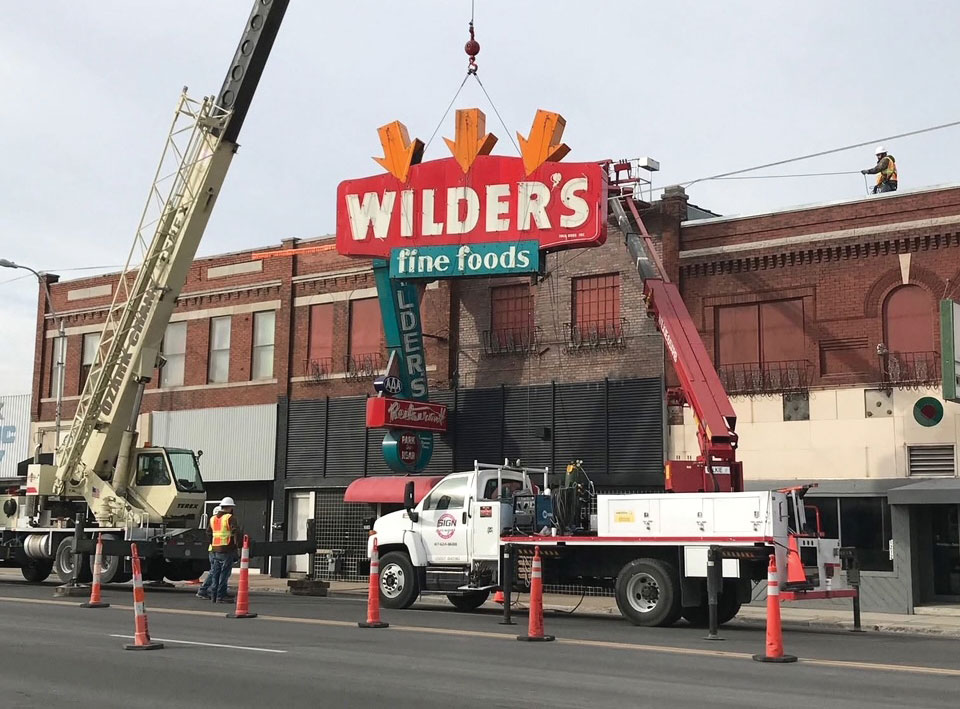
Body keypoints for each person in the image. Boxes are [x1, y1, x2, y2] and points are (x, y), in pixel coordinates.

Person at [207, 497, 240, 603]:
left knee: (215, 573)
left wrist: (212, 543)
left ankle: (214, 595)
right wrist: (237, 545)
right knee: (224, 573)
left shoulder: (213, 519)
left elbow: (208, 533)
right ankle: (221, 596)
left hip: (215, 549)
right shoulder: (230, 518)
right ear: (230, 507)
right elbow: (235, 532)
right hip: (226, 549)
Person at [196, 505, 221, 600]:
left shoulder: (213, 521)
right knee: (214, 571)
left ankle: (211, 590)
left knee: (216, 571)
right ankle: (203, 590)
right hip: (216, 549)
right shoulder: (216, 522)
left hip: (214, 549)